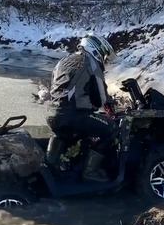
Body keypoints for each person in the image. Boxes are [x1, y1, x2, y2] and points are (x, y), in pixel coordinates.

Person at [47, 34, 116, 182]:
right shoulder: (91, 62)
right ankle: (90, 171)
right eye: (103, 55)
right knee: (110, 128)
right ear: (97, 50)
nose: (104, 59)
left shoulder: (64, 60)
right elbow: (101, 98)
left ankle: (51, 165)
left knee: (65, 134)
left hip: (53, 113)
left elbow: (57, 86)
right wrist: (110, 110)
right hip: (74, 114)